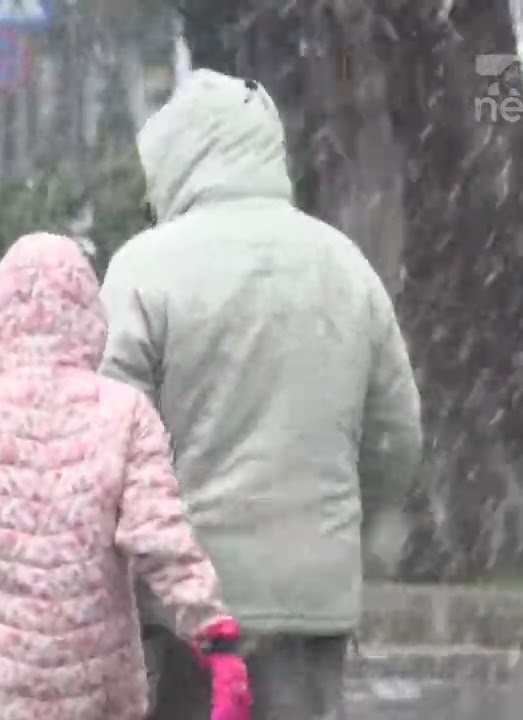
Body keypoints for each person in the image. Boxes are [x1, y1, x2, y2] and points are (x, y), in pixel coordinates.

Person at [99, 69, 423, 719]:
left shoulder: (144, 269)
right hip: (312, 589)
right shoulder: (344, 265)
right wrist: (353, 532)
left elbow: (106, 440)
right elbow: (396, 433)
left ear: (175, 158)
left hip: (183, 599)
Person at [0, 232, 252, 720]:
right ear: (89, 316)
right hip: (98, 692)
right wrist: (213, 635)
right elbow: (161, 538)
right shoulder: (124, 415)